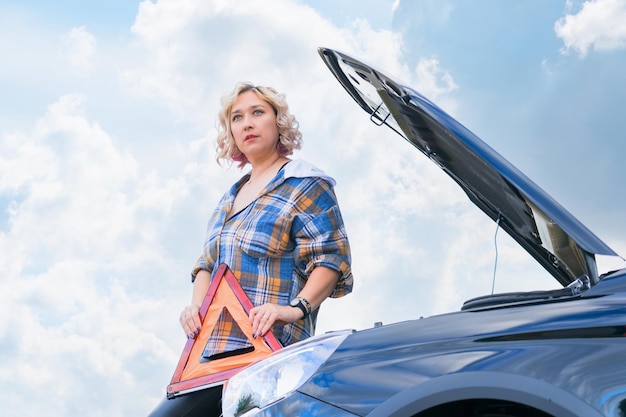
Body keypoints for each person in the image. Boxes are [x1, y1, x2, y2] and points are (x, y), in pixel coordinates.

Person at [149, 82, 353, 417]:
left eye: (258, 112)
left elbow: (330, 259)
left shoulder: (305, 182)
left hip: (272, 355)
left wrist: (294, 308)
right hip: (212, 357)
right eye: (237, 117)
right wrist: (194, 309)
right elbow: (207, 265)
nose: (247, 123)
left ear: (278, 122)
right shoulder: (229, 198)